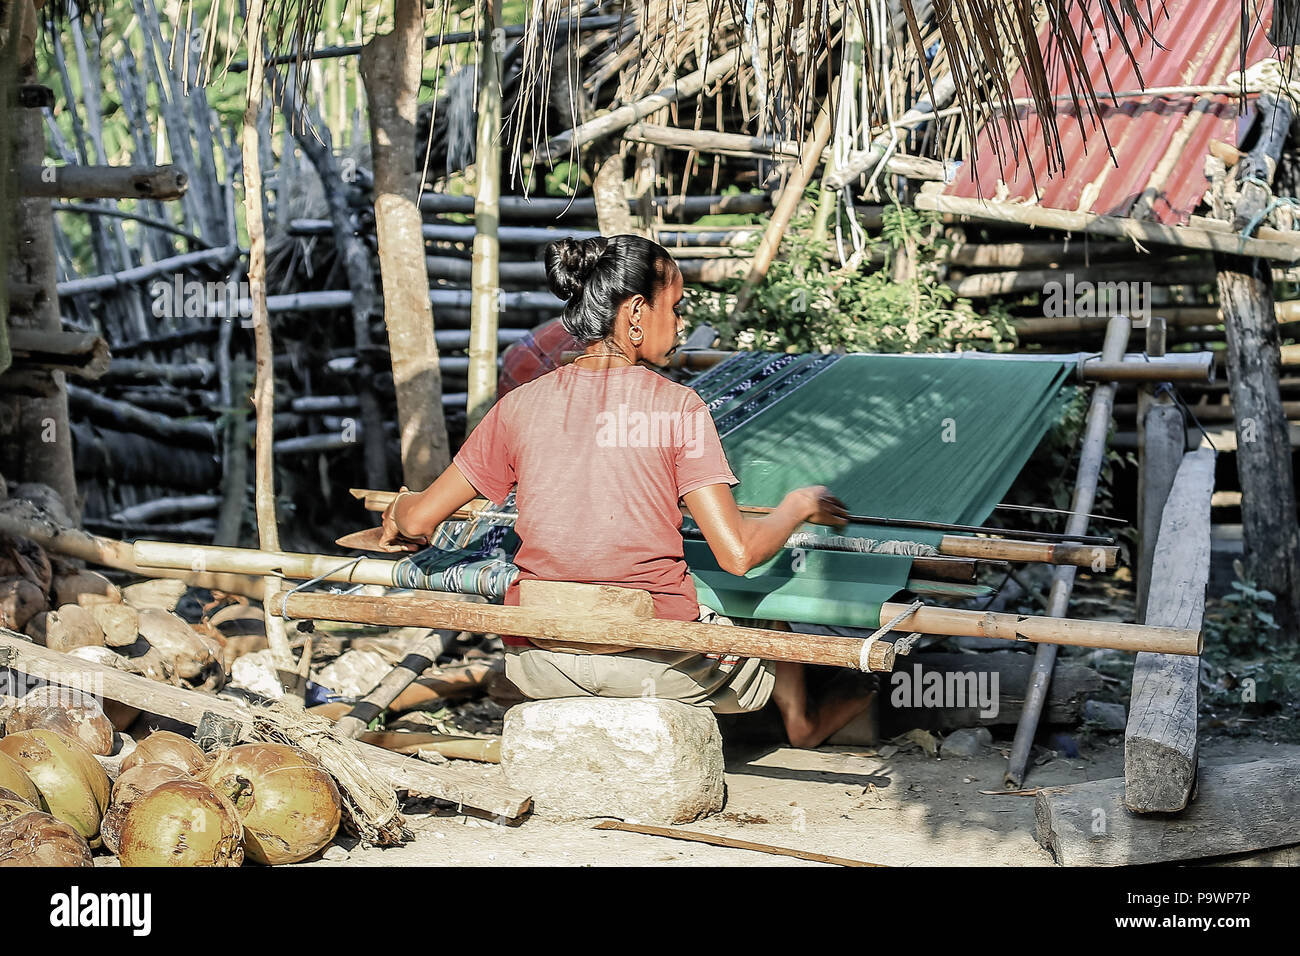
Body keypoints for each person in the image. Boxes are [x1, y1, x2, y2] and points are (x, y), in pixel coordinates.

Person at [378, 234, 874, 747]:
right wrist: (797, 505)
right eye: (676, 307)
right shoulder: (678, 408)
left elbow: (418, 521)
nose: (682, 325)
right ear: (636, 311)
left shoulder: (519, 406)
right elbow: (738, 555)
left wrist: (400, 510)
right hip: (651, 661)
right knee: (770, 627)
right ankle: (804, 724)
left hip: (541, 662)